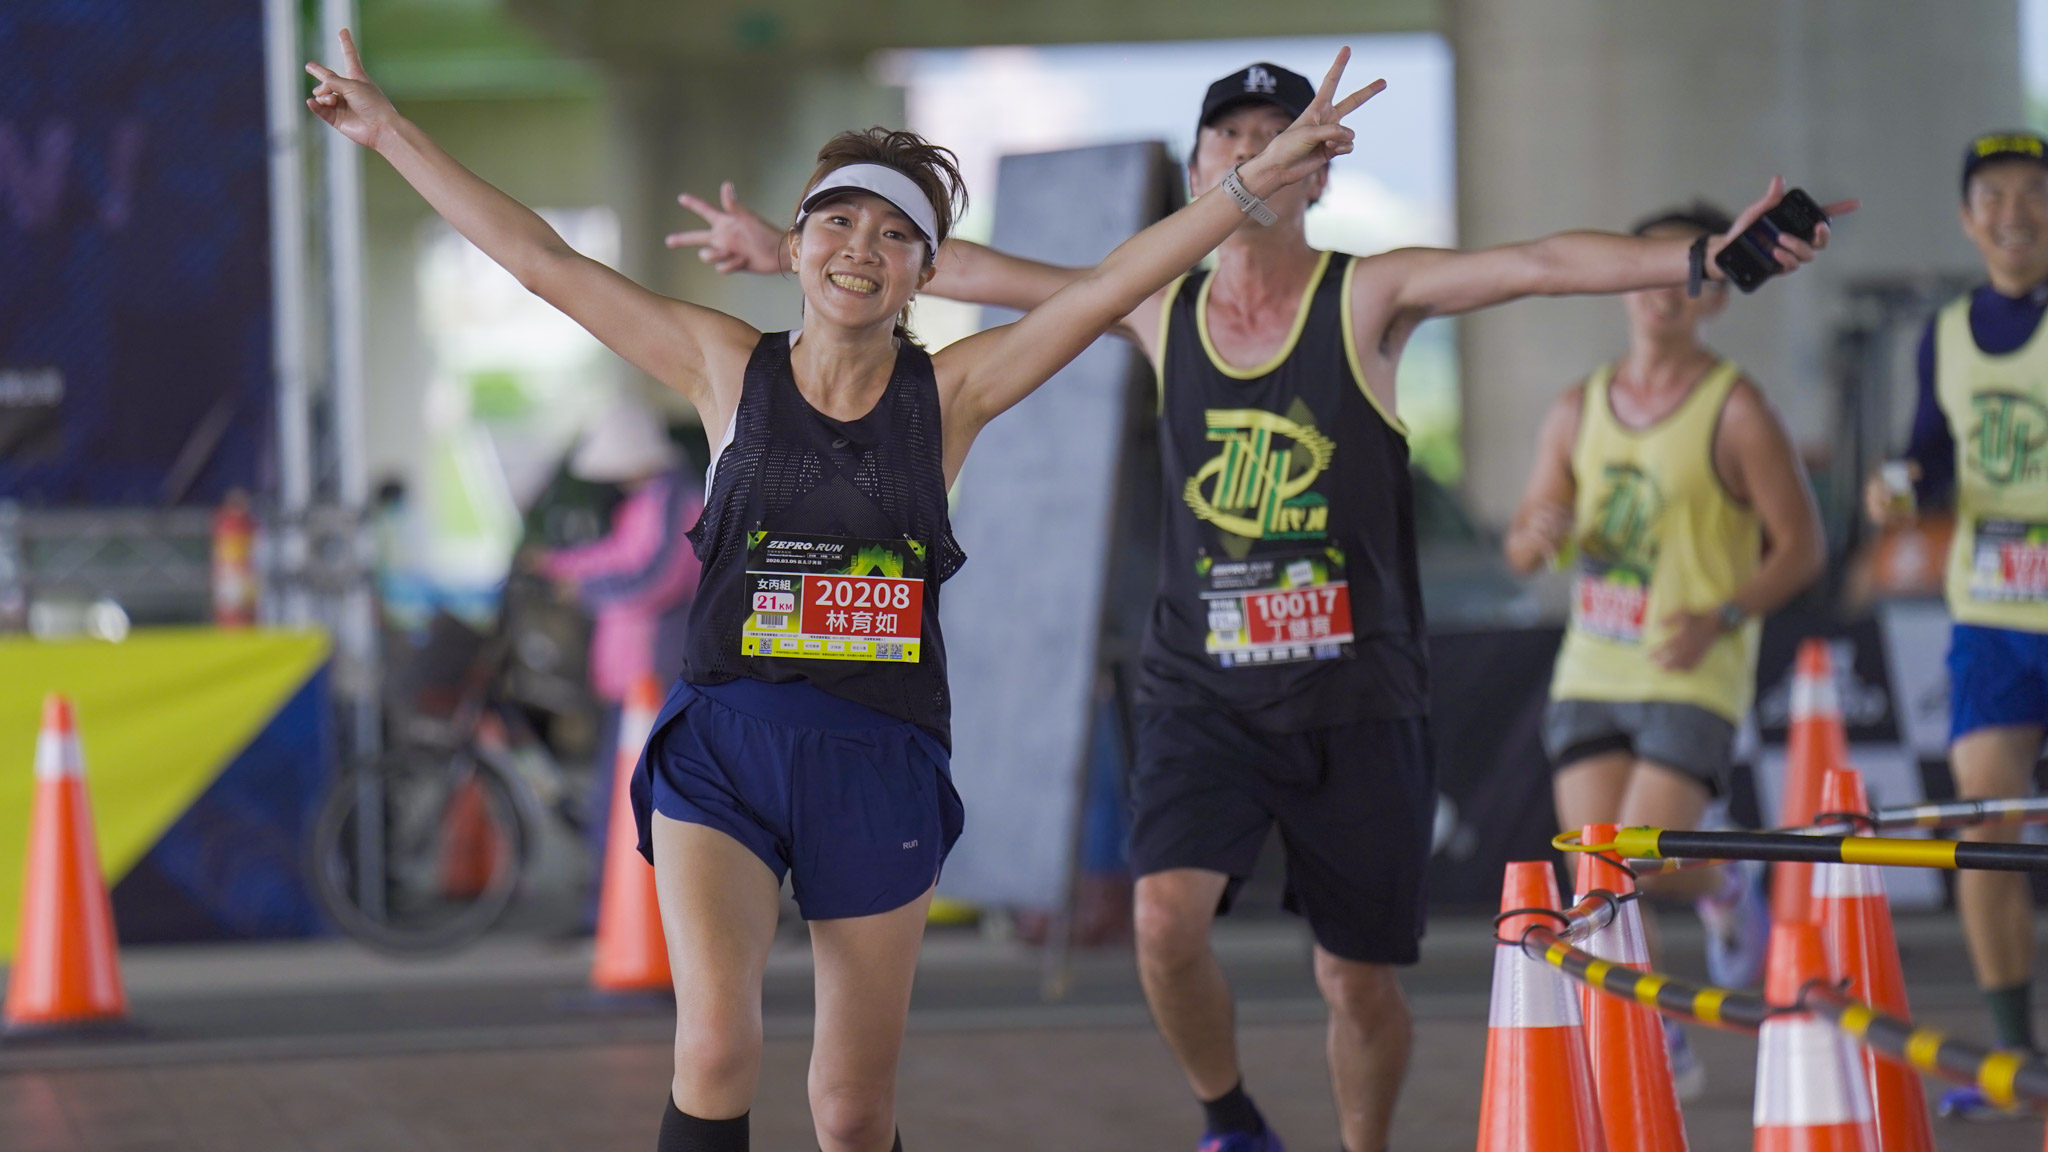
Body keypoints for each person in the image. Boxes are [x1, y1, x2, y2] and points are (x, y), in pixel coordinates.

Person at [672, 61, 1851, 1152]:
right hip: (1203, 689)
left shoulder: (1368, 294)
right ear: (1202, 173)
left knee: (1355, 982)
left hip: (1357, 693)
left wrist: (1702, 257)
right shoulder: (1155, 306)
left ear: (1318, 167)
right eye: (1229, 138)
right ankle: (1229, 1118)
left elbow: (1534, 262)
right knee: (1163, 923)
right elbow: (963, 268)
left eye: (1278, 135)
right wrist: (786, 244)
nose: (1254, 151)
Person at [306, 31, 1380, 1152]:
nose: (862, 246)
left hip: (876, 760)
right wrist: (390, 133)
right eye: (838, 220)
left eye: (895, 233)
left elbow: (1118, 282)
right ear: (796, 245)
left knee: (852, 1111)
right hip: (724, 746)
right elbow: (541, 262)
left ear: (925, 271)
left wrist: (1252, 182)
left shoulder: (953, 394)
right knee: (714, 1049)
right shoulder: (723, 365)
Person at [1503, 202, 1825, 1098]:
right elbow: (1523, 547)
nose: (1664, 290)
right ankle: (1659, 1031)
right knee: (1594, 869)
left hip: (1691, 670)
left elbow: (1803, 547)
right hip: (1592, 665)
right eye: (1649, 267)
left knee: (1631, 862)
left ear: (1717, 296)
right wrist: (1538, 533)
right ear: (1620, 280)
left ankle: (1719, 885)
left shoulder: (1737, 408)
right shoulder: (1577, 407)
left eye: (1692, 275)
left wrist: (1722, 615)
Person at [1864, 129, 2048, 1121]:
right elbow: (1926, 457)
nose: (2014, 212)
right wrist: (1894, 487)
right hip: (1988, 614)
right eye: (1993, 195)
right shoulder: (1943, 333)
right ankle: (2015, 1055)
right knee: (1984, 825)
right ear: (1967, 219)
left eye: (2033, 192)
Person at [535, 392, 704, 918]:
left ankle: (615, 913)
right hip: (636, 674)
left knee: (629, 792)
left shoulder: (673, 500)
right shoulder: (652, 499)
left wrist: (579, 585)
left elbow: (654, 577)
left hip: (653, 673)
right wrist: (562, 565)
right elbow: (624, 558)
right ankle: (614, 909)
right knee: (624, 791)